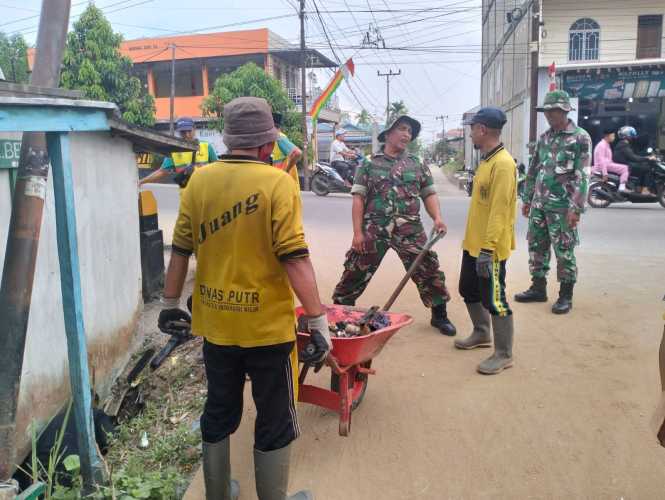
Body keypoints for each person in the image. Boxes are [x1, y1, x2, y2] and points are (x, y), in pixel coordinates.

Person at [158, 97, 330, 500]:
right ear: (268, 145)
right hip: (267, 329)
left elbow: (180, 249)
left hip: (216, 327)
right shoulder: (277, 182)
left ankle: (218, 494)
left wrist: (169, 304)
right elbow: (294, 256)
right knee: (274, 417)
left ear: (228, 139)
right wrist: (319, 322)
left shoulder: (199, 180)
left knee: (219, 409)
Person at [332, 115, 457, 336]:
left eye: (410, 131)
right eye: (402, 129)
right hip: (375, 229)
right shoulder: (369, 163)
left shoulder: (417, 164)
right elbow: (358, 198)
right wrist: (357, 233)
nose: (406, 134)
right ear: (388, 133)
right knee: (355, 269)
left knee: (428, 268)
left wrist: (437, 217)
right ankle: (340, 310)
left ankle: (440, 315)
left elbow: (429, 194)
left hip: (409, 229)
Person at [515, 90, 591, 315]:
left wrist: (576, 208)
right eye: (547, 111)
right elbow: (533, 170)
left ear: (565, 111)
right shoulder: (544, 137)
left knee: (564, 250)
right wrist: (527, 199)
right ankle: (538, 288)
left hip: (563, 207)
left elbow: (583, 175)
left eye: (554, 111)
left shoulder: (580, 137)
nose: (549, 115)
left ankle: (565, 295)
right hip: (540, 204)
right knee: (536, 246)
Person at [456, 107, 516, 375]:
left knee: (495, 299)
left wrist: (487, 250)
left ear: (481, 129)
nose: (470, 134)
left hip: (488, 249)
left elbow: (499, 212)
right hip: (473, 245)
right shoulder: (487, 160)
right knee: (468, 289)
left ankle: (504, 354)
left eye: (472, 129)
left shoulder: (503, 164)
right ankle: (481, 333)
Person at [139, 117, 218, 187]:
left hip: (205, 191)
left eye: (189, 131)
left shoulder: (206, 146)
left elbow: (218, 167)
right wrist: (141, 182)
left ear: (194, 129)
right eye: (183, 132)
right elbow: (162, 172)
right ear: (179, 132)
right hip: (186, 193)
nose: (187, 135)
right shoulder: (174, 151)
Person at [613, 125, 656, 195]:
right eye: (632, 134)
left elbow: (633, 155)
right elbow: (634, 158)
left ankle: (639, 188)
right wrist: (647, 158)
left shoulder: (623, 144)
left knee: (643, 167)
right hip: (626, 166)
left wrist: (645, 157)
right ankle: (644, 189)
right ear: (627, 135)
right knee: (647, 169)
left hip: (626, 164)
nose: (633, 136)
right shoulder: (624, 145)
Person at [592, 128, 631, 192]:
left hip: (606, 165)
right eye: (612, 136)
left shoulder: (606, 144)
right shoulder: (602, 145)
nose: (614, 138)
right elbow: (602, 160)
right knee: (625, 168)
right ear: (607, 136)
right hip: (603, 166)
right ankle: (622, 187)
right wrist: (605, 173)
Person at [271, 112, 302, 188]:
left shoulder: (279, 138)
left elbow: (297, 153)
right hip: (277, 181)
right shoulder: (274, 137)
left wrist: (287, 170)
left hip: (282, 182)